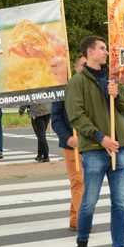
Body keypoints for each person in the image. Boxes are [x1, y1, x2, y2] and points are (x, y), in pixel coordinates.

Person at [65, 35, 124, 247]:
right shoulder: (77, 81)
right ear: (89, 52)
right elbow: (76, 115)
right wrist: (101, 137)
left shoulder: (113, 79)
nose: (106, 52)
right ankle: (82, 241)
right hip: (95, 149)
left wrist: (115, 95)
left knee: (120, 202)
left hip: (120, 146)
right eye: (102, 48)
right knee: (89, 202)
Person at [51, 55, 87, 231]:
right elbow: (56, 119)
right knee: (78, 181)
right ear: (75, 67)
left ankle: (75, 218)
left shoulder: (95, 87)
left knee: (86, 182)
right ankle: (82, 221)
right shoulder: (64, 89)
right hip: (72, 144)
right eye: (82, 65)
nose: (86, 68)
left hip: (92, 143)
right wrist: (68, 138)